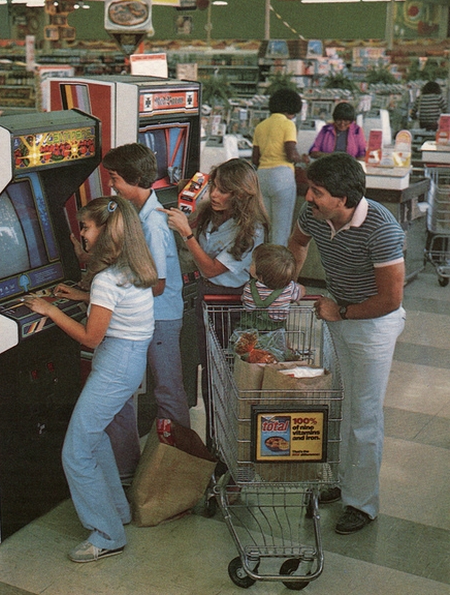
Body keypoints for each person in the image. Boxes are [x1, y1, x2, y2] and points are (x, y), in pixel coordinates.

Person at [24, 196, 157, 563]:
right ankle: (118, 511)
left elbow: (90, 338)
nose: (81, 234)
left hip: (115, 366)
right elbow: (116, 307)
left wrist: (50, 310)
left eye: (85, 227)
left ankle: (107, 534)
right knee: (94, 438)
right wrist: (82, 295)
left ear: (105, 231)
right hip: (129, 362)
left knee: (76, 452)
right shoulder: (132, 266)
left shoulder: (106, 280)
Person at [287, 152, 406, 535]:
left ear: (343, 199)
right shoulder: (314, 214)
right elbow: (298, 242)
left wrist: (341, 311)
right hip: (337, 314)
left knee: (364, 414)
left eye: (317, 191)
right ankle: (340, 481)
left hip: (373, 325)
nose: (308, 197)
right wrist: (289, 281)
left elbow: (391, 300)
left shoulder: (381, 229)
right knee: (338, 404)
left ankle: (362, 503)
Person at [101, 142, 190, 483]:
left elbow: (156, 283)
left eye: (115, 179)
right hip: (144, 316)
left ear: (135, 179)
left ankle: (180, 468)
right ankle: (128, 470)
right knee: (123, 390)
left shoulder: (153, 223)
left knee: (167, 390)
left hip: (160, 317)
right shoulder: (137, 214)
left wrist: (113, 290)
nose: (111, 186)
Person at [160, 158, 270, 404]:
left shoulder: (252, 229)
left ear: (241, 195)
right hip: (205, 295)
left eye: (223, 190)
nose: (215, 195)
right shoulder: (211, 212)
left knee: (227, 366)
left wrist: (186, 234)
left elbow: (210, 269)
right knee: (208, 365)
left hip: (232, 303)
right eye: (214, 187)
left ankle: (227, 418)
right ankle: (213, 421)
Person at [252, 88, 304, 246]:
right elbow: (291, 154)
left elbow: (255, 158)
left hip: (262, 177)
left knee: (263, 227)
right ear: (292, 109)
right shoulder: (288, 124)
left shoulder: (260, 126)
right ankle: (277, 262)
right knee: (281, 229)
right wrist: (302, 159)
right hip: (282, 177)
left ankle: (258, 259)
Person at [241, 243, 305, 330]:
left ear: (260, 277)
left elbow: (247, 306)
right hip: (277, 330)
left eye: (253, 263)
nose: (250, 264)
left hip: (253, 328)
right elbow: (302, 292)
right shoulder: (290, 288)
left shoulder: (249, 288)